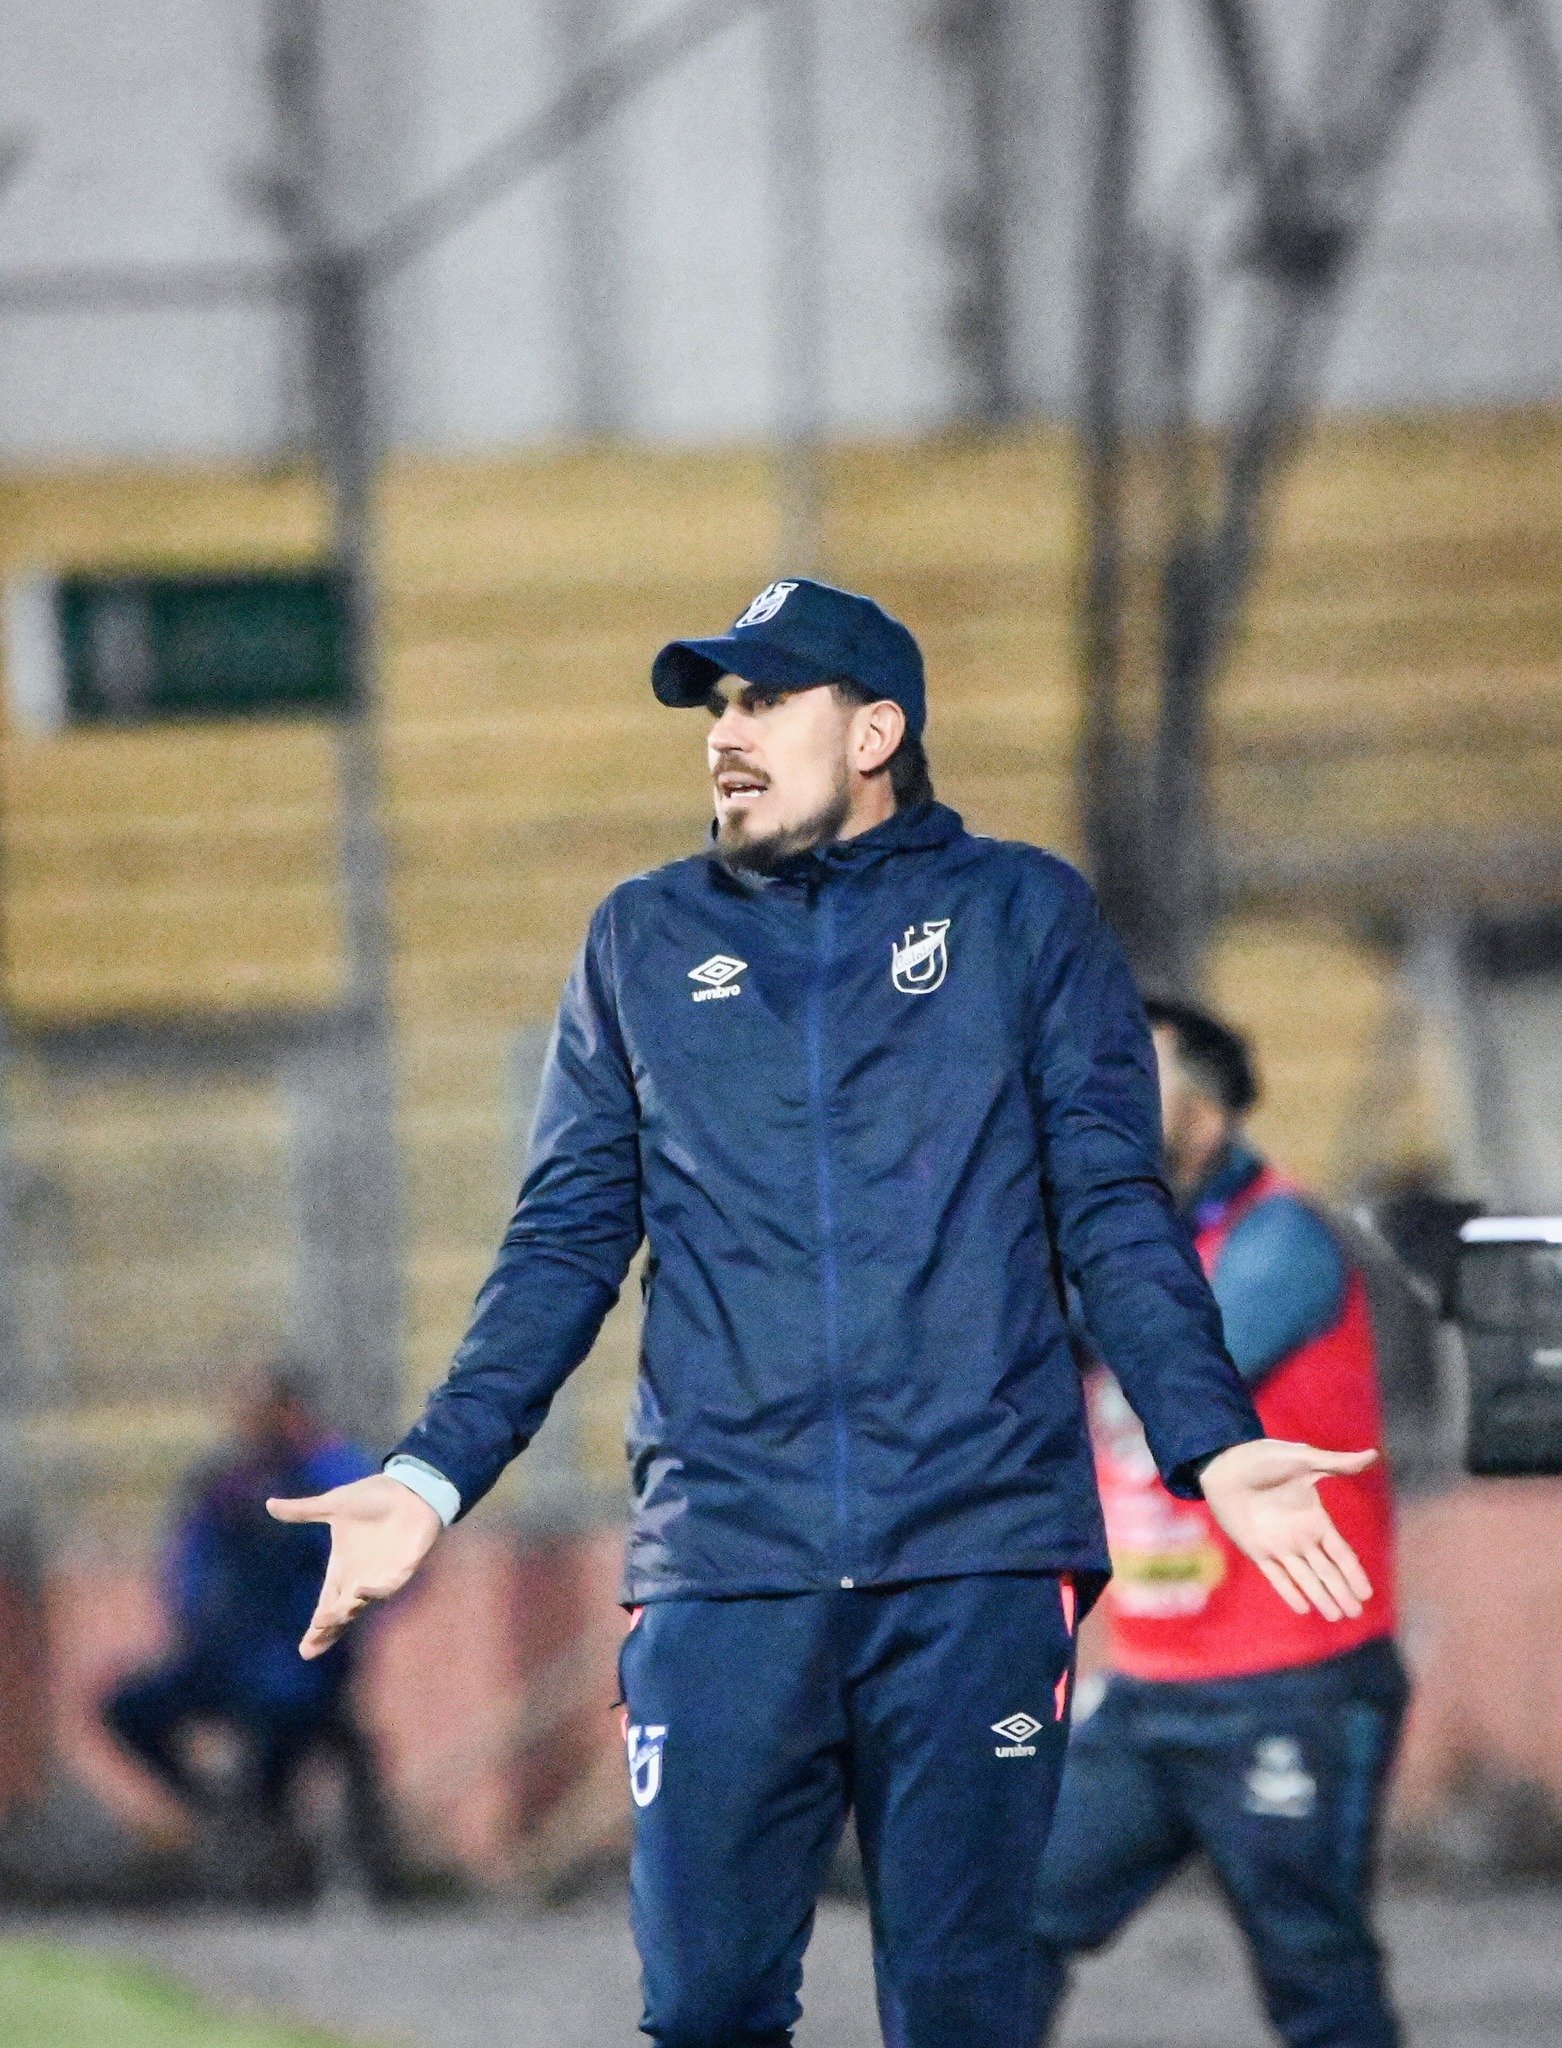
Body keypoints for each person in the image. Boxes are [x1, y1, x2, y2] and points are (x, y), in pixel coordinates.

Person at [269, 579, 1379, 2047]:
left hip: (976, 1558)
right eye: (711, 709)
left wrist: (1211, 1442)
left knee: (962, 2014)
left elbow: (1113, 1211)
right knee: (708, 2007)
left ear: (875, 730)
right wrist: (429, 1475)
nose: (722, 736)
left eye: (758, 700)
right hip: (726, 1564)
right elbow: (560, 1248)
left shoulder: (1022, 916)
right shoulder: (640, 942)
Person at [1029, 1001, 1407, 2048]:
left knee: (1314, 1972)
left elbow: (1184, 1362)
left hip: (1297, 1680)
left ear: (1206, 1113)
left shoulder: (1282, 1235)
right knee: (1009, 1916)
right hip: (1151, 1692)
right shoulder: (1107, 1245)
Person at [103, 1363, 398, 1900]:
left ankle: (273, 1848)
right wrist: (196, 1626)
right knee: (128, 1707)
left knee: (282, 1729)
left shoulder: (339, 1475)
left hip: (302, 1668)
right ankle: (218, 1810)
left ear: (289, 1411)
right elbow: (186, 1568)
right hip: (224, 1660)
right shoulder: (226, 1484)